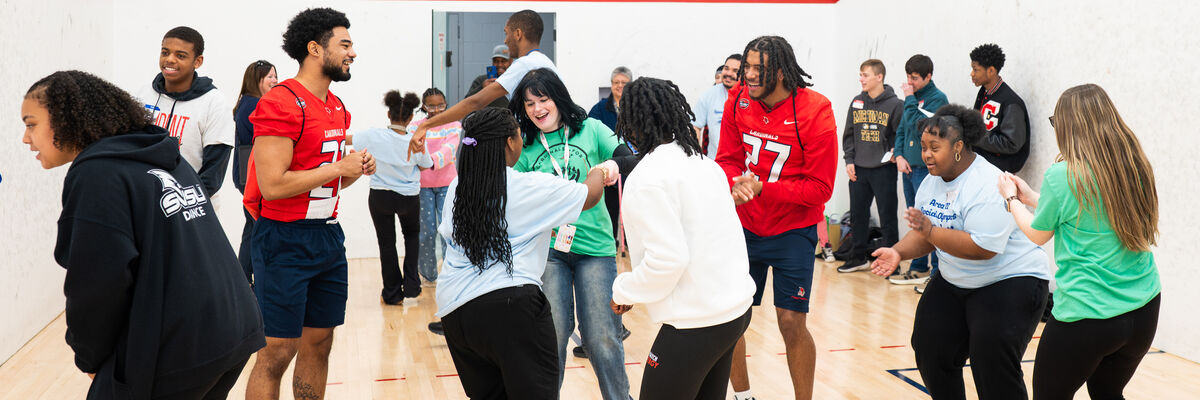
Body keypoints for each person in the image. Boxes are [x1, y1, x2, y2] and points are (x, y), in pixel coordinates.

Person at [22, 70, 264, 399]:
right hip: (233, 330)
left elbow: (96, 286)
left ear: (66, 118)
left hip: (184, 349)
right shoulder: (165, 156)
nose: (26, 138)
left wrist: (90, 356)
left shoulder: (97, 174)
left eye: (31, 123)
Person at [869, 104, 1050, 400]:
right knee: (930, 349)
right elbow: (927, 236)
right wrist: (898, 252)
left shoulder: (987, 184)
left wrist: (929, 231)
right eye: (924, 146)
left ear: (958, 147)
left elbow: (983, 249)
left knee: (991, 364)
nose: (925, 154)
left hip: (1011, 280)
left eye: (934, 147)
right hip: (957, 279)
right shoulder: (931, 182)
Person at [434, 107, 615, 400]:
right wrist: (602, 169)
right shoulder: (525, 186)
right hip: (510, 308)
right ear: (510, 142)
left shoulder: (458, 186)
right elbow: (589, 195)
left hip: (456, 313)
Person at [242, 8, 375, 400]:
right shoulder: (280, 102)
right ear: (315, 49)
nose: (353, 53)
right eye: (345, 44)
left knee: (319, 342)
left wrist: (354, 169)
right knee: (278, 350)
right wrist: (338, 165)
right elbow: (273, 186)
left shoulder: (335, 106)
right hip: (282, 239)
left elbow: (329, 180)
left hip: (327, 238)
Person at [998, 84, 1161, 400]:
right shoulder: (1133, 163)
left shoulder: (1062, 176)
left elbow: (1038, 233)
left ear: (1069, 127)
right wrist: (1030, 196)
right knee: (1106, 390)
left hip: (1088, 318)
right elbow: (1082, 210)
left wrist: (1010, 200)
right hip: (1143, 311)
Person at [610, 77, 755, 400]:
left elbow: (668, 260)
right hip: (734, 312)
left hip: (696, 323)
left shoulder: (646, 179)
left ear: (630, 123)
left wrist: (624, 288)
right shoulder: (705, 163)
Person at [716, 36, 837, 400]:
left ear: (782, 72)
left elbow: (820, 189)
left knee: (790, 322)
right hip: (744, 226)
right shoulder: (737, 98)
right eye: (746, 67)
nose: (748, 76)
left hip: (793, 231)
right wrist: (734, 184)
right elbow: (727, 158)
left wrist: (762, 188)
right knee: (731, 320)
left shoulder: (816, 110)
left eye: (758, 69)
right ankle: (743, 396)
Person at [511, 68, 631, 399]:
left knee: (602, 337)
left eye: (544, 99)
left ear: (559, 98)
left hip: (595, 248)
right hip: (548, 252)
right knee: (552, 336)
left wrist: (612, 166)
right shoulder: (525, 142)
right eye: (529, 103)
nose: (537, 109)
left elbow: (626, 155)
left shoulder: (590, 129)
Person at [411, 10, 556, 153]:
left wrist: (426, 125)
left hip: (541, 145)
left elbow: (475, 103)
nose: (505, 40)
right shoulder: (543, 61)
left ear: (518, 34)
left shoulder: (525, 64)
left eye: (506, 33)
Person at [349, 91, 429, 305]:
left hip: (380, 197)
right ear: (411, 118)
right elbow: (426, 164)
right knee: (411, 237)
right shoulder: (416, 139)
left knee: (386, 243)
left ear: (388, 115)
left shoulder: (373, 135)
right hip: (409, 198)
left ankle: (392, 294)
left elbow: (348, 139)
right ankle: (412, 287)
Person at [135, 26, 234, 198]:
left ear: (198, 61)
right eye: (165, 52)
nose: (170, 60)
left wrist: (179, 201)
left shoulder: (214, 103)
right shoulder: (144, 94)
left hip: (190, 211)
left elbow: (212, 175)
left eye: (180, 56)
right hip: (144, 203)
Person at [837, 59, 902, 273]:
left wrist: (895, 152)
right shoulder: (857, 102)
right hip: (859, 169)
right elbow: (849, 134)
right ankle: (857, 257)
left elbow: (899, 135)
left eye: (865, 75)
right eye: (860, 74)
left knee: (887, 216)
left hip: (883, 169)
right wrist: (849, 160)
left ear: (879, 77)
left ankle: (892, 261)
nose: (861, 79)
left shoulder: (895, 104)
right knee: (858, 215)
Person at [889, 54, 948, 289]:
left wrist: (909, 98)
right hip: (908, 168)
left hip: (927, 170)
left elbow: (919, 125)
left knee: (930, 220)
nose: (909, 82)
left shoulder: (937, 99)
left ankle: (935, 274)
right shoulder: (911, 98)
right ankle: (918, 267)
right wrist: (900, 155)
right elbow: (902, 129)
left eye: (914, 78)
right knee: (915, 220)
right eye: (908, 77)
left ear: (928, 76)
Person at [233, 59, 278, 284]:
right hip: (252, 173)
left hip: (247, 173)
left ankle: (245, 279)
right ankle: (245, 279)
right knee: (254, 229)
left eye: (275, 76)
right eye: (269, 76)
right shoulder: (254, 105)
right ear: (256, 79)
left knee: (251, 229)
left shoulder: (249, 102)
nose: (275, 80)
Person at [411, 88, 462, 288]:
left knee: (449, 230)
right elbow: (413, 149)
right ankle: (428, 274)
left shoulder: (454, 125)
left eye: (440, 105)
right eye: (431, 106)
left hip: (447, 185)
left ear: (446, 104)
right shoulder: (415, 126)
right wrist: (422, 161)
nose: (436, 110)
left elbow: (450, 150)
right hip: (422, 186)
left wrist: (428, 161)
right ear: (423, 106)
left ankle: (452, 272)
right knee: (426, 231)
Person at [970, 43, 1030, 173]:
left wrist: (976, 136)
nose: (972, 74)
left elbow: (1011, 143)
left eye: (976, 69)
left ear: (991, 71)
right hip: (982, 168)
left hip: (999, 173)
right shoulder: (984, 94)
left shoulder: (1011, 102)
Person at [693, 54, 742, 159]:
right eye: (726, 68)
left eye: (735, 70)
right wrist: (696, 156)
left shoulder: (751, 96)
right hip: (715, 163)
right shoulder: (709, 94)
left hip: (744, 168)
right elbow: (695, 126)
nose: (728, 73)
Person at [463, 44, 512, 110]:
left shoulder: (515, 80)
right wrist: (482, 88)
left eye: (503, 61)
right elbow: (467, 102)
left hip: (508, 119)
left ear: (510, 61)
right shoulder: (481, 80)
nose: (499, 64)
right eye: (496, 61)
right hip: (485, 119)